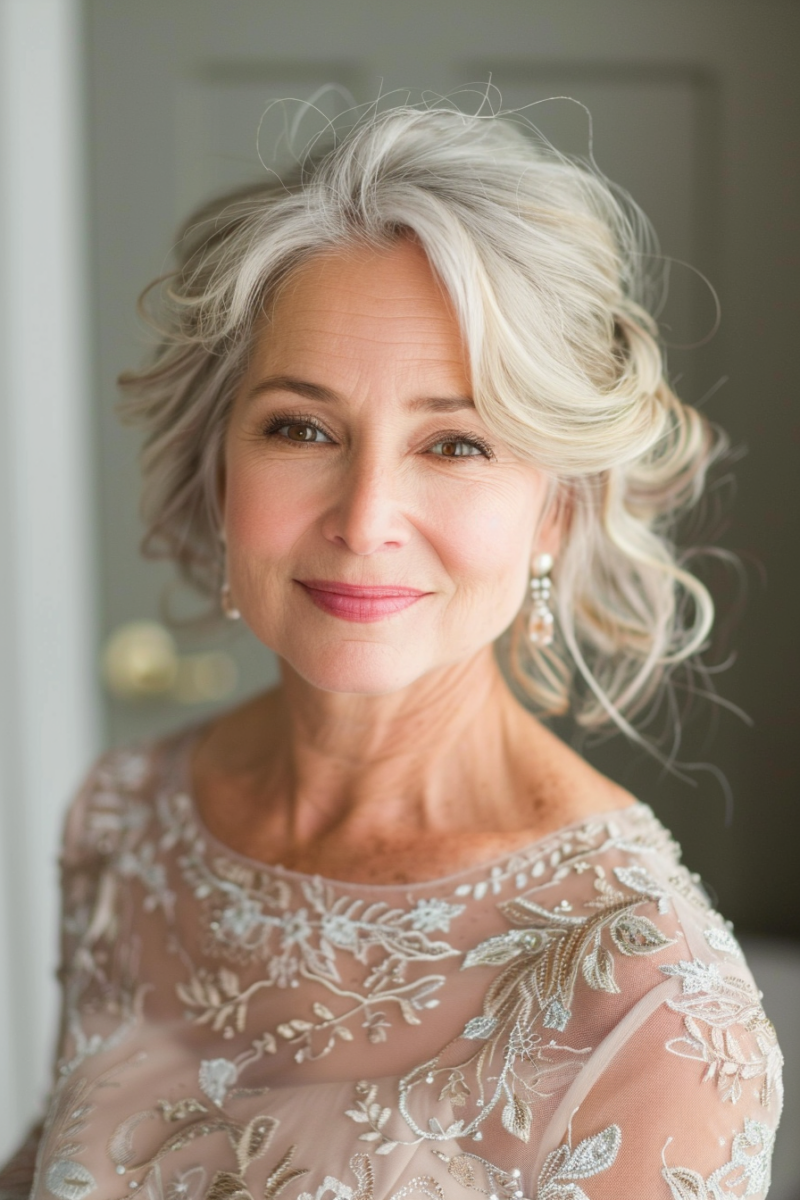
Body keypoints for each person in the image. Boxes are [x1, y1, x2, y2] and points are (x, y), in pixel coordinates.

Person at [0, 103, 783, 1200]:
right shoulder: (127, 814)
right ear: (220, 467)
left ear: (555, 509)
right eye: (301, 428)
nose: (364, 517)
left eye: (455, 443)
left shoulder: (652, 1011)